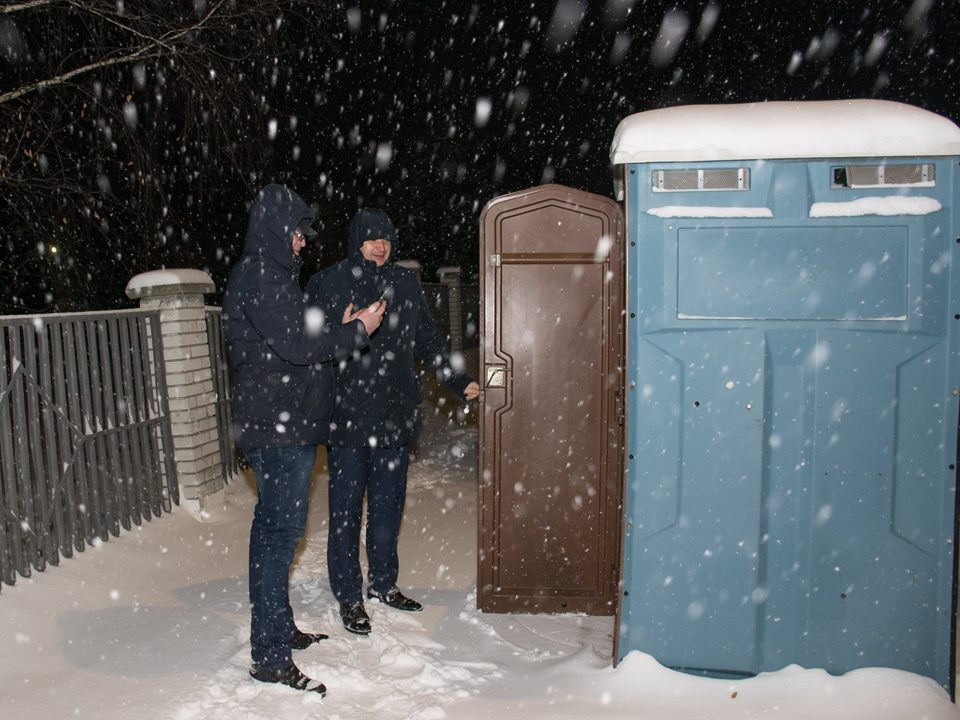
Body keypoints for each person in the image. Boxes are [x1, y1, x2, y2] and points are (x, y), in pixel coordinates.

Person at [223, 184, 386, 694]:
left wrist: (337, 327)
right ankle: (270, 656)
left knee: (272, 533)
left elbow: (291, 338)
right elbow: (296, 346)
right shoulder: (261, 274)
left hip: (280, 422)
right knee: (279, 537)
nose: (301, 242)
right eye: (296, 233)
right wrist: (357, 331)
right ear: (276, 229)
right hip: (279, 427)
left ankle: (278, 628)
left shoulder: (268, 275)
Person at [306, 207, 480, 635]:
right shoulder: (328, 283)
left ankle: (383, 584)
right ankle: (349, 595)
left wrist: (458, 380)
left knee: (387, 510)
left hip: (394, 416)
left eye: (386, 238)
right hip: (347, 418)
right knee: (346, 513)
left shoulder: (404, 283)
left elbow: (428, 340)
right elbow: (309, 344)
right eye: (371, 238)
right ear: (356, 241)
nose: (380, 246)